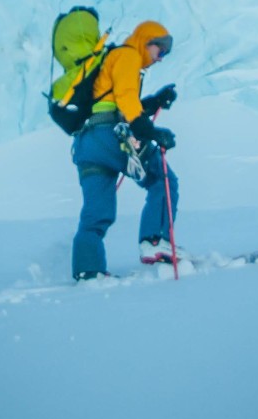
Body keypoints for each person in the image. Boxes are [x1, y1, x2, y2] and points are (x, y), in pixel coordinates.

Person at [71, 19, 185, 281]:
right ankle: (155, 241)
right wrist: (152, 132)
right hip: (111, 137)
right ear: (147, 41)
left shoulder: (115, 58)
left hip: (87, 143)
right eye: (161, 51)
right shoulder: (128, 55)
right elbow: (125, 100)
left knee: (97, 210)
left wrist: (155, 100)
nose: (161, 58)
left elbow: (114, 101)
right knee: (162, 179)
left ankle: (88, 269)